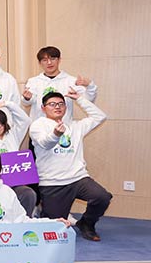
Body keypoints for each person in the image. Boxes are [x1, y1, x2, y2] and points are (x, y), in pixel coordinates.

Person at [30, 91, 111, 241]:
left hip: (78, 178)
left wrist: (80, 99)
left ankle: (87, 224)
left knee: (102, 197)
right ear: (43, 108)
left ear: (65, 107)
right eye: (52, 104)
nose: (57, 107)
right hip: (52, 182)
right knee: (52, 229)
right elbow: (45, 143)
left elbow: (100, 116)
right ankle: (48, 211)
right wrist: (55, 134)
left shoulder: (75, 126)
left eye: (61, 104)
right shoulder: (38, 125)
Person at [22, 46, 97, 124]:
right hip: (40, 127)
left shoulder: (71, 81)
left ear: (59, 60)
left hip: (63, 127)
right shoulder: (33, 81)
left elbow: (88, 100)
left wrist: (90, 86)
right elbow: (26, 103)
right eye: (44, 60)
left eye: (53, 59)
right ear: (39, 63)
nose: (49, 63)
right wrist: (27, 98)